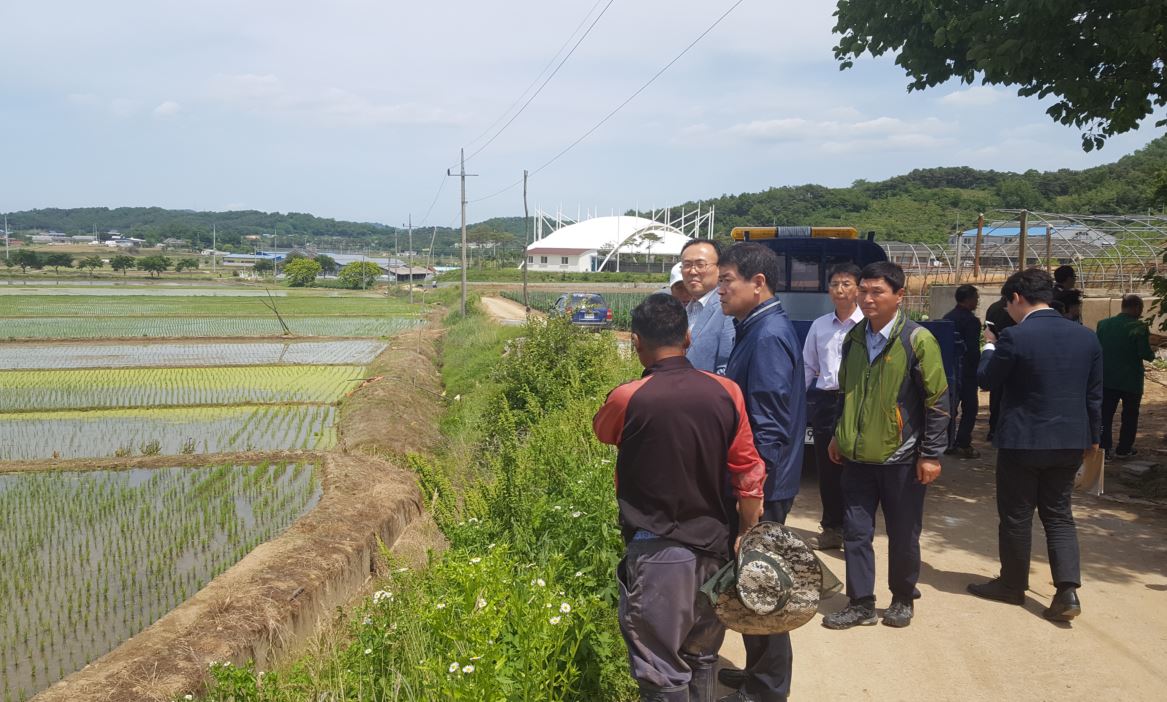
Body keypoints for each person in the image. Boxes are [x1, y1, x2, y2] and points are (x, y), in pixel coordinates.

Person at [593, 294, 765, 702]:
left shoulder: (628, 397)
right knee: (702, 656)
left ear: (636, 341)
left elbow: (603, 431)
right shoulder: (727, 392)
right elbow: (749, 471)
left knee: (661, 670)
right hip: (715, 551)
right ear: (688, 338)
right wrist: (747, 531)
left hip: (659, 552)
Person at [968, 268, 1102, 622]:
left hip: (1023, 441)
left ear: (1016, 298)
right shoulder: (1086, 338)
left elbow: (987, 380)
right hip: (1070, 441)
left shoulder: (1014, 337)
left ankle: (1012, 585)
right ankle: (1067, 590)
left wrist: (989, 346)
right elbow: (1093, 395)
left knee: (1017, 515)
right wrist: (1094, 439)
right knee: (1059, 515)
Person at [823, 261, 949, 630]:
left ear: (899, 295)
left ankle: (902, 597)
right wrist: (837, 434)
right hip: (858, 456)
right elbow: (845, 393)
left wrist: (930, 454)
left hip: (902, 457)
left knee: (903, 532)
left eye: (877, 291)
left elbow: (938, 400)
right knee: (856, 532)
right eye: (863, 290)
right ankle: (860, 601)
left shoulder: (917, 339)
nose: (867, 297)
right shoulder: (855, 338)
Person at [715, 242, 806, 702]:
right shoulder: (755, 326)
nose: (719, 290)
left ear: (758, 282)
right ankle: (757, 673)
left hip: (764, 483)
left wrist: (753, 495)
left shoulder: (768, 335)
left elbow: (767, 425)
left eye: (726, 280)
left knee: (763, 583)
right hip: (760, 479)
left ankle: (768, 689)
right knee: (752, 580)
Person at [801, 263, 863, 550]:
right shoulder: (820, 325)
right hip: (827, 401)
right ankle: (832, 529)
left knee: (857, 468)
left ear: (858, 289)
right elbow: (807, 366)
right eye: (835, 283)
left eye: (846, 283)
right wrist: (797, 402)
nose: (840, 289)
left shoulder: (868, 324)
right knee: (827, 469)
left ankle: (856, 531)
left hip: (858, 401)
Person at [1097, 294, 1155, 459]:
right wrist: (1152, 355)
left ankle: (1104, 450)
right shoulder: (1139, 327)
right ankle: (1124, 448)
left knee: (1105, 415)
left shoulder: (1103, 324)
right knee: (1130, 415)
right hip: (1131, 380)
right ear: (1137, 307)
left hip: (1107, 378)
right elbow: (1145, 353)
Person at [682, 239, 736, 374]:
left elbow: (726, 366)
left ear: (720, 269)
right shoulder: (684, 311)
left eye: (700, 265)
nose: (692, 271)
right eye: (687, 265)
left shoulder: (727, 310)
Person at [943, 284, 981, 459]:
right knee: (970, 407)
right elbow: (972, 350)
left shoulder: (948, 318)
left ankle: (947, 441)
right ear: (968, 299)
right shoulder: (971, 321)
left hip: (949, 369)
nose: (977, 301)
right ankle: (962, 442)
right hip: (966, 371)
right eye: (975, 298)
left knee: (950, 406)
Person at [983, 295, 1016, 441]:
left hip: (996, 355)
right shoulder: (1012, 311)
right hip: (1011, 357)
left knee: (996, 395)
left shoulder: (993, 308)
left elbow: (988, 328)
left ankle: (993, 429)